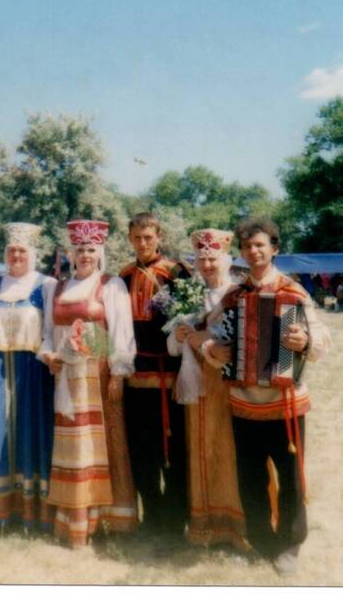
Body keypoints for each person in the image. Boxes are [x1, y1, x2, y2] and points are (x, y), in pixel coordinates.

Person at [219, 217, 331, 575]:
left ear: (274, 249)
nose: (253, 252)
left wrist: (306, 341)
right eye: (247, 246)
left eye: (260, 245)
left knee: (290, 476)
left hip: (285, 403)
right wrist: (212, 349)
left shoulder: (294, 292)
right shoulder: (233, 296)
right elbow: (213, 334)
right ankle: (259, 540)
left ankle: (290, 544)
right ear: (241, 251)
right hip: (243, 402)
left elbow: (321, 339)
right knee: (250, 476)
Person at [39, 219, 138, 547]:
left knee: (106, 444)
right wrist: (49, 356)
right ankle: (76, 516)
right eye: (79, 249)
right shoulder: (56, 287)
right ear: (71, 252)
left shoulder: (111, 285)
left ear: (100, 252)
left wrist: (120, 375)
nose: (85, 255)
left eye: (91, 249)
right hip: (67, 377)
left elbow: (122, 333)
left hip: (101, 374)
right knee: (74, 443)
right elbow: (45, 335)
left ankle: (110, 518)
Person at [168, 229, 247, 551]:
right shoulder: (189, 295)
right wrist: (181, 334)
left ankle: (237, 528)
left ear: (226, 260)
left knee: (229, 452)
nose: (207, 263)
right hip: (197, 387)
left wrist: (211, 343)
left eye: (213, 257)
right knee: (201, 450)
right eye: (201, 258)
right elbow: (172, 349)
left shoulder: (239, 294)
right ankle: (206, 527)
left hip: (228, 385)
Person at [0, 223, 58, 533]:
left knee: (30, 432)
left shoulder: (46, 285)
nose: (16, 255)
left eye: (22, 250)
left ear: (32, 253)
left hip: (33, 371)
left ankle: (33, 511)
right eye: (11, 250)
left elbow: (49, 331)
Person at [118, 211, 190, 547]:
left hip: (169, 376)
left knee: (172, 450)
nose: (143, 243)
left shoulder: (177, 273)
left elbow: (191, 319)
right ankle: (152, 516)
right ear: (130, 239)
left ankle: (176, 522)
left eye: (148, 237)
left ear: (158, 236)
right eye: (137, 238)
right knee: (142, 451)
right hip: (136, 377)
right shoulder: (122, 276)